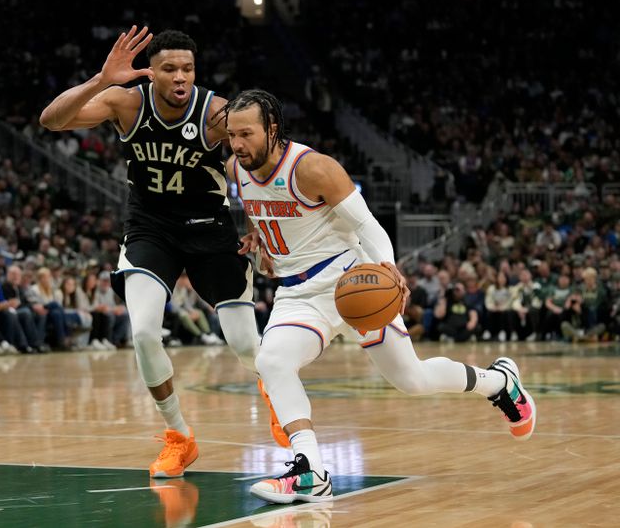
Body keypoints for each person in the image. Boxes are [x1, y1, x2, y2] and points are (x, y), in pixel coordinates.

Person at [223, 89, 537, 504]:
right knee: (272, 360)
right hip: (297, 293)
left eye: (246, 133)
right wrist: (261, 239)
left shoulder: (313, 168)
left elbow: (369, 227)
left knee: (412, 380)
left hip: (351, 282)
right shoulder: (236, 167)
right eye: (231, 134)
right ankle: (309, 470)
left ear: (273, 130)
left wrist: (388, 268)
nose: (237, 144)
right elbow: (257, 206)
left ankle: (499, 383)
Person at [40, 27, 261, 478]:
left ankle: (281, 402)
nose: (181, 77)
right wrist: (102, 79)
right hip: (150, 229)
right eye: (169, 69)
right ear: (151, 72)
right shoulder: (127, 102)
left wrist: (257, 222)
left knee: (245, 345)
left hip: (209, 230)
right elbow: (52, 120)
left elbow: (251, 161)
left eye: (188, 68)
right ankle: (179, 437)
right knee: (142, 333)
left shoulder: (216, 112)